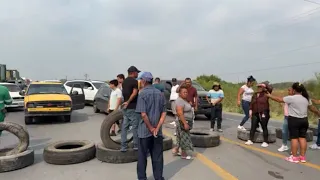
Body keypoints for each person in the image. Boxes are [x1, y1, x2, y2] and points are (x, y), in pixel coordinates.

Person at [267, 82, 320, 163]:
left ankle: (294, 157)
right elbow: (312, 108)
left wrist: (269, 96)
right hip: (304, 120)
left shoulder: (291, 98)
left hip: (294, 120)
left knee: (294, 138)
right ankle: (302, 157)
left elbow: (279, 99)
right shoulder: (306, 98)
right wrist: (318, 113)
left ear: (294, 90)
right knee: (302, 138)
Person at [135, 72, 166, 180]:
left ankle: (142, 178)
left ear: (143, 81)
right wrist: (157, 128)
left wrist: (151, 128)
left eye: (140, 80)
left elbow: (143, 114)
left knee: (142, 157)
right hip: (158, 132)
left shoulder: (142, 94)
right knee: (157, 156)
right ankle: (158, 177)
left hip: (144, 132)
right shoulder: (160, 94)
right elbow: (163, 113)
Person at [245, 82, 272, 147]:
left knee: (264, 126)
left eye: (261, 87)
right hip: (255, 112)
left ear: (263, 88)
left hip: (263, 112)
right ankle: (250, 140)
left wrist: (265, 86)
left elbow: (270, 88)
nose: (259, 88)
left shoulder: (266, 94)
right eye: (258, 87)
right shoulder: (255, 94)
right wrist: (250, 110)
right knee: (253, 126)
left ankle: (265, 141)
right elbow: (251, 103)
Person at [121, 66, 140, 152]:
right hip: (132, 107)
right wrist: (128, 101)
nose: (138, 74)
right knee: (135, 127)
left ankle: (123, 147)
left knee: (124, 127)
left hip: (125, 107)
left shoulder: (124, 82)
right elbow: (134, 93)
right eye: (137, 72)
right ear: (133, 72)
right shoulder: (135, 81)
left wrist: (125, 102)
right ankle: (136, 146)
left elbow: (124, 93)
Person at [172, 85, 194, 160]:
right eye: (184, 92)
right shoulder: (179, 101)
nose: (186, 93)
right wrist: (185, 123)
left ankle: (176, 150)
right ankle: (183, 154)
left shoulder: (184, 100)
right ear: (180, 93)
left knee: (179, 137)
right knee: (184, 137)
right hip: (182, 121)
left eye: (186, 92)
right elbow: (180, 113)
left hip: (185, 121)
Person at [278, 87, 293, 152]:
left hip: (292, 117)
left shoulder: (294, 99)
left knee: (293, 133)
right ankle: (284, 145)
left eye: (289, 90)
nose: (288, 91)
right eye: (288, 90)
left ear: (293, 91)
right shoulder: (287, 98)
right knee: (284, 131)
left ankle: (294, 148)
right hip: (286, 117)